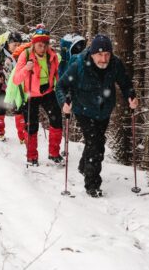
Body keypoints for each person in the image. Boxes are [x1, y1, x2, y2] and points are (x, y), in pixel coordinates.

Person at [56, 34, 139, 198]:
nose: (104, 59)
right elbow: (61, 86)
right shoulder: (78, 65)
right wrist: (63, 104)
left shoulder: (115, 64)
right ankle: (92, 184)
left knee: (96, 141)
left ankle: (83, 165)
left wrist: (131, 96)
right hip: (83, 109)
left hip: (104, 109)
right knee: (96, 144)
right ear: (92, 54)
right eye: (100, 55)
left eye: (107, 54)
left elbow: (125, 82)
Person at [12, 26, 63, 166]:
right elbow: (16, 79)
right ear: (34, 44)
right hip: (31, 95)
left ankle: (54, 153)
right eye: (40, 44)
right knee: (31, 126)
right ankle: (31, 156)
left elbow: (58, 74)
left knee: (57, 121)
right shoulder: (26, 55)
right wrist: (26, 68)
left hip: (48, 92)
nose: (43, 47)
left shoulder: (51, 55)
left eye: (45, 44)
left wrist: (63, 89)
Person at [0, 31, 24, 141]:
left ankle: (23, 135)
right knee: (0, 109)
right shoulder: (0, 53)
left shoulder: (22, 54)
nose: (16, 47)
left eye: (18, 45)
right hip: (2, 86)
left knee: (20, 110)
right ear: (8, 43)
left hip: (17, 87)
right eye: (14, 45)